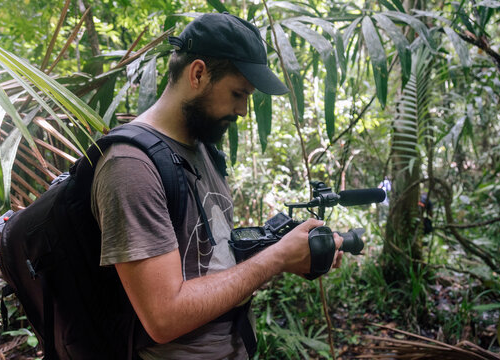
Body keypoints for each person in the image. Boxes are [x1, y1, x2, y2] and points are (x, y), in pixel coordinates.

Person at [91, 12, 343, 359]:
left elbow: (208, 260)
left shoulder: (202, 147)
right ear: (198, 74)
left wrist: (291, 251)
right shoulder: (130, 166)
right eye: (238, 93)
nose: (242, 110)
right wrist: (275, 259)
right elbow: (163, 316)